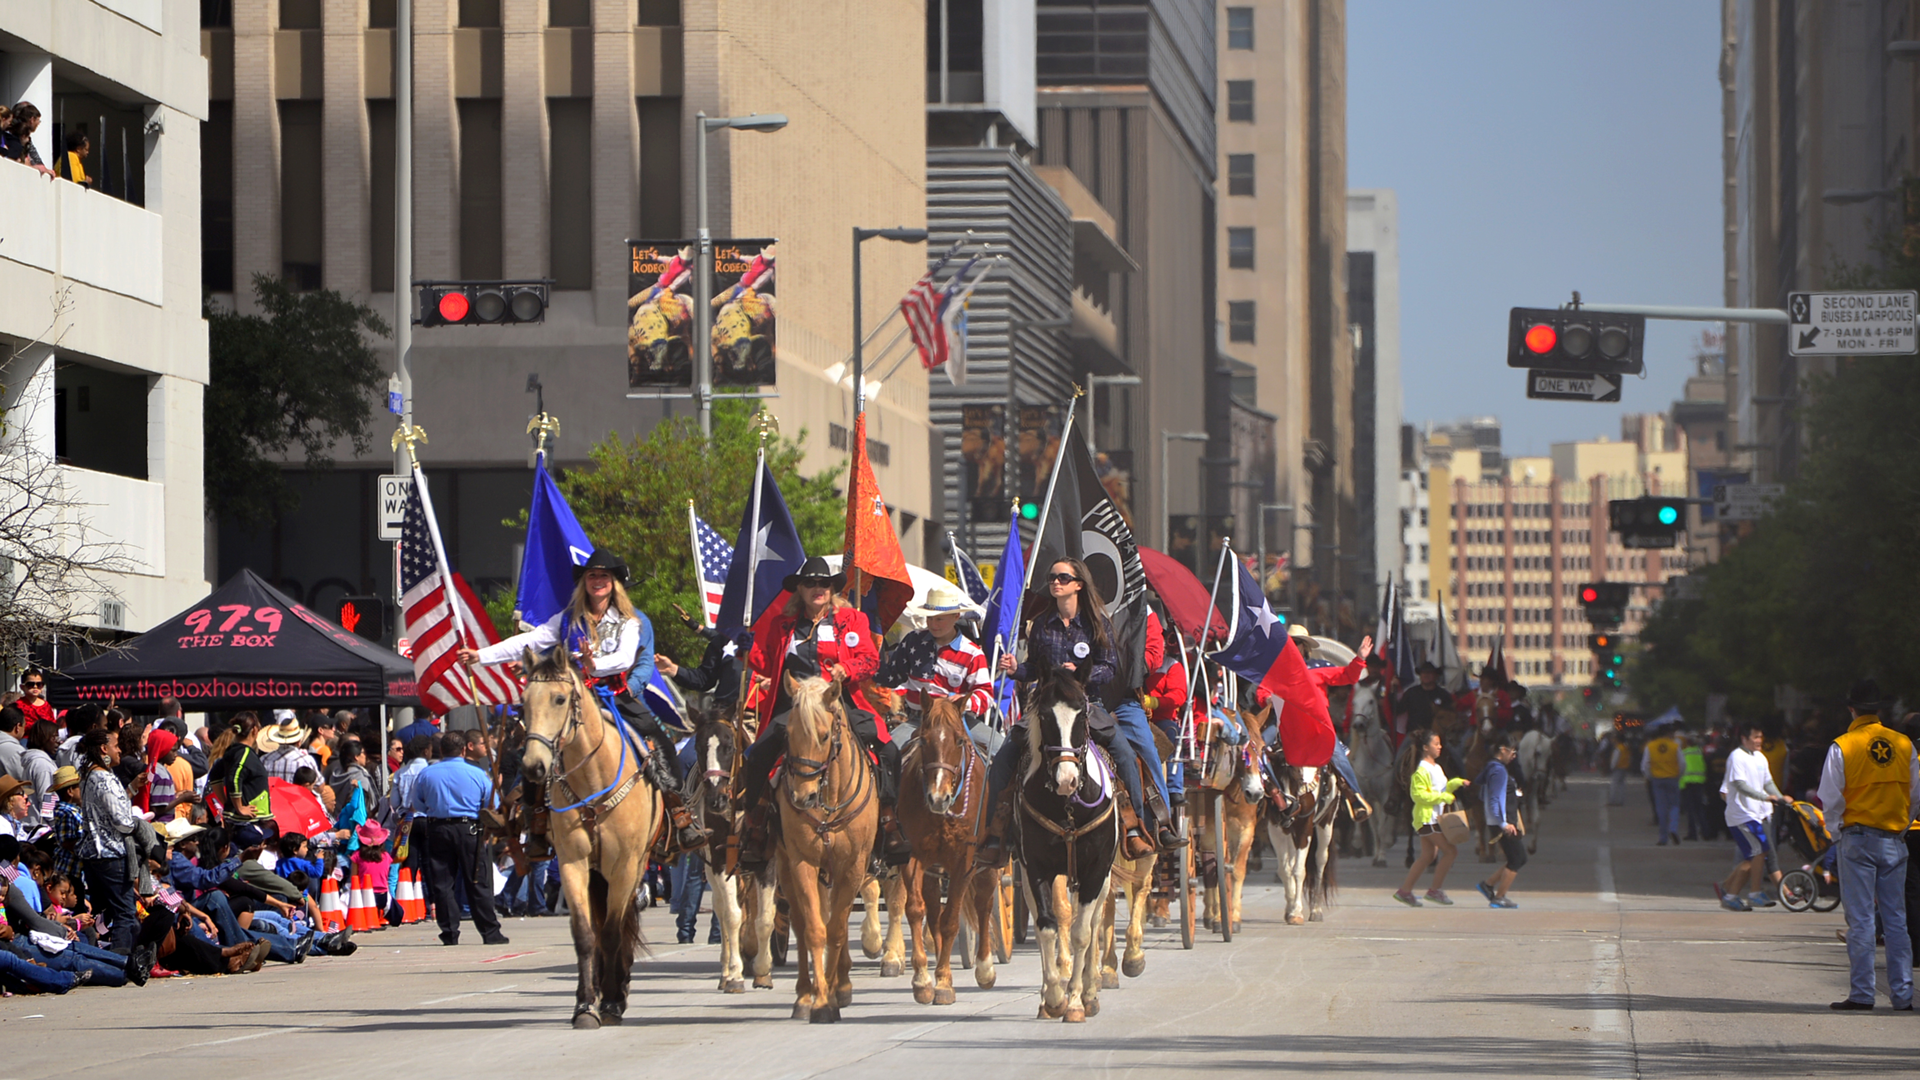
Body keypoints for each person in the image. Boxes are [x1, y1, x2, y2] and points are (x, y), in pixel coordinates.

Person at [462, 550, 701, 853]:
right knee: (535, 746)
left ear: (614, 583)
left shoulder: (629, 621)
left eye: (604, 576)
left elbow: (626, 657)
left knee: (659, 740)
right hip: (571, 699)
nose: (597, 580)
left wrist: (594, 665)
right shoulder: (566, 619)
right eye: (592, 575)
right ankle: (532, 819)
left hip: (614, 696)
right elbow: (529, 641)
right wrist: (481, 656)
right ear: (584, 582)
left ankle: (678, 814)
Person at [980, 558, 1166, 865]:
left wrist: (1080, 674)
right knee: (1003, 760)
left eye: (1063, 578)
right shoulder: (1041, 623)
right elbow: (1034, 668)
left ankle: (1134, 827)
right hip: (1047, 706)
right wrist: (1016, 669)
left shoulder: (1096, 623)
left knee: (1123, 753)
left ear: (1078, 584)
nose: (1055, 582)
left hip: (1086, 705)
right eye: (1052, 577)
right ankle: (997, 832)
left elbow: (1109, 668)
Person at [736, 556, 909, 868]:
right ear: (799, 590)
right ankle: (756, 825)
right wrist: (745, 649)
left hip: (838, 701)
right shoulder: (782, 624)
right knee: (757, 755)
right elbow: (766, 664)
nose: (818, 588)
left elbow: (871, 660)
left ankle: (888, 820)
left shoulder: (852, 620)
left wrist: (848, 667)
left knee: (888, 750)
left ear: (832, 590)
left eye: (824, 584)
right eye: (810, 583)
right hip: (796, 705)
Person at [1817, 679, 1918, 1011]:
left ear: (1851, 709)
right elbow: (1915, 796)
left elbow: (1829, 799)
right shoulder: (1904, 745)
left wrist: (1836, 834)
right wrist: (1900, 828)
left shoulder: (1843, 746)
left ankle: (1862, 993)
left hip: (1857, 839)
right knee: (1896, 920)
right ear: (1880, 710)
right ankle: (1903, 996)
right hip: (1894, 840)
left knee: (1861, 920)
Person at [409, 730, 508, 946]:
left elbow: (418, 805)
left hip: (438, 828)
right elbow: (493, 805)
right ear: (464, 750)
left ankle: (449, 933)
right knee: (477, 881)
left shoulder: (427, 774)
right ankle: (490, 933)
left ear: (441, 750)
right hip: (469, 829)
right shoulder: (477, 774)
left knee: (443, 884)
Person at [873, 581, 994, 735]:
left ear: (956, 616)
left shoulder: (973, 653)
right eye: (930, 618)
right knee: (889, 753)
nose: (933, 624)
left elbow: (986, 694)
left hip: (959, 720)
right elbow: (893, 675)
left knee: (997, 750)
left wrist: (965, 702)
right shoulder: (913, 640)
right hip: (918, 720)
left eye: (939, 619)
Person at [75, 729, 140, 954]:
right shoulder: (103, 777)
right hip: (110, 853)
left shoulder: (88, 776)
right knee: (124, 912)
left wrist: (130, 790)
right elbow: (121, 820)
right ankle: (119, 962)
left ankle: (102, 955)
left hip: (94, 854)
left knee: (108, 911)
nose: (120, 749)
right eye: (116, 745)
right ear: (104, 749)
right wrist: (140, 827)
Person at [1716, 722, 1792, 912]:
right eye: (1755, 737)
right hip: (1742, 815)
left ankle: (1730, 892)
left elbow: (1768, 782)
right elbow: (1740, 786)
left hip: (1758, 814)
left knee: (1755, 856)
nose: (1759, 741)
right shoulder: (1737, 757)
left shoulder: (1760, 757)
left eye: (1760, 737)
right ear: (1744, 738)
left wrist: (1781, 798)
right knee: (1758, 852)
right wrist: (1766, 797)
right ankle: (1752, 894)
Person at [1394, 727, 1468, 907]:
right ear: (1425, 747)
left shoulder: (1437, 767)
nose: (1440, 747)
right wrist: (1443, 797)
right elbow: (1418, 795)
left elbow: (1442, 788)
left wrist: (1456, 784)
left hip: (1435, 818)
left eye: (1440, 743)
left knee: (1427, 856)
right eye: (1436, 744)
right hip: (1427, 819)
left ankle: (1405, 891)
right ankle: (1435, 890)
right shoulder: (1421, 770)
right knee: (1450, 851)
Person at [655, 602, 744, 712]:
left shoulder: (768, 640)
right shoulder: (724, 641)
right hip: (725, 714)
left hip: (762, 714)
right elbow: (703, 679)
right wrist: (673, 669)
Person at [1476, 736, 1526, 908]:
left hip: (1501, 820)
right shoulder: (1498, 770)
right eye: (1512, 751)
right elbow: (1494, 799)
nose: (1514, 755)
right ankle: (1499, 897)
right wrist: (1503, 823)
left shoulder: (1494, 768)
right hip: (1502, 823)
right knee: (1518, 858)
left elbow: (1484, 794)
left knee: (1516, 857)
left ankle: (1488, 885)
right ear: (1502, 749)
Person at [211, 713, 270, 818]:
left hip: (247, 819)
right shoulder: (244, 753)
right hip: (248, 821)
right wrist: (239, 808)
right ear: (254, 730)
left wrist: (227, 803)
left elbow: (215, 775)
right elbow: (234, 777)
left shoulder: (232, 751)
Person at [1643, 725, 1683, 845]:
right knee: (1674, 805)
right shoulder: (1675, 745)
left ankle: (1663, 837)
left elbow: (1645, 764)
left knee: (1661, 808)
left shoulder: (1650, 746)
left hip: (1657, 779)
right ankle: (1673, 828)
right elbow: (1682, 763)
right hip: (1672, 778)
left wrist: (1650, 776)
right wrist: (1678, 775)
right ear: (1668, 733)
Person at [262, 716, 317, 782]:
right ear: (299, 741)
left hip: (272, 792)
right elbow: (319, 785)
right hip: (296, 792)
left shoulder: (264, 759)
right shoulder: (306, 760)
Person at [1679, 732, 1709, 841]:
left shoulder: (1684, 753)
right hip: (1700, 783)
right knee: (1700, 809)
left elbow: (1681, 769)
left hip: (1687, 784)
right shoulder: (1700, 752)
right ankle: (1706, 833)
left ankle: (1693, 834)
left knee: (1690, 811)